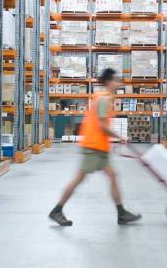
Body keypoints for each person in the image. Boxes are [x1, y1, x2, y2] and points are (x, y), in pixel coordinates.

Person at [49, 68, 142, 226]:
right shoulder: (104, 99)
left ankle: (121, 213)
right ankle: (57, 210)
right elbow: (102, 126)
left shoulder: (105, 98)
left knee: (113, 176)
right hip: (93, 148)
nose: (118, 83)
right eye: (115, 80)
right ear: (108, 82)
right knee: (79, 179)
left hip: (100, 148)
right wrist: (120, 137)